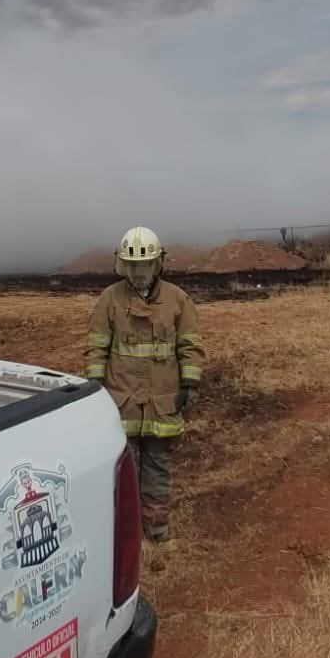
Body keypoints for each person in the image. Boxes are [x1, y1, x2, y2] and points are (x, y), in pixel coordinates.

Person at [85, 226, 205, 542]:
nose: (139, 272)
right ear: (123, 265)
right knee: (122, 470)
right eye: (133, 266)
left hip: (162, 402)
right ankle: (124, 534)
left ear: (157, 264)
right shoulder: (109, 300)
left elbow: (189, 345)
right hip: (121, 402)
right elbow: (97, 346)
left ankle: (156, 528)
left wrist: (190, 384)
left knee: (158, 468)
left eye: (144, 265)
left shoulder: (178, 300)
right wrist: (96, 388)